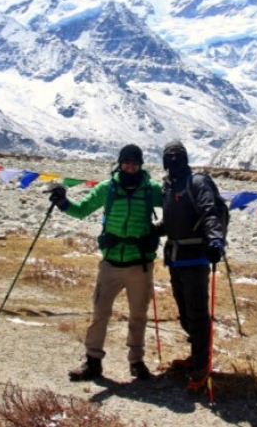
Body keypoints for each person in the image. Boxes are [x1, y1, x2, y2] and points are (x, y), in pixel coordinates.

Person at [48, 144, 163, 382]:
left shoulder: (151, 190)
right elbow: (82, 210)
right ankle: (93, 362)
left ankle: (137, 362)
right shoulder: (106, 189)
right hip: (111, 262)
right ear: (119, 163)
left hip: (140, 263)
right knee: (100, 313)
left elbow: (174, 204)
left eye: (135, 163)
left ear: (141, 165)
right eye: (127, 162)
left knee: (138, 315)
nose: (130, 166)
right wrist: (63, 203)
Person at [157, 140, 226, 392]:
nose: (173, 161)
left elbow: (209, 212)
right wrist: (155, 230)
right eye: (169, 157)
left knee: (197, 313)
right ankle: (197, 354)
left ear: (185, 159)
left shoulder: (197, 183)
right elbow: (175, 220)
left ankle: (201, 365)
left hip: (196, 257)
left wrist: (216, 239)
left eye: (177, 156)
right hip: (175, 258)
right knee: (185, 312)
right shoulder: (170, 186)